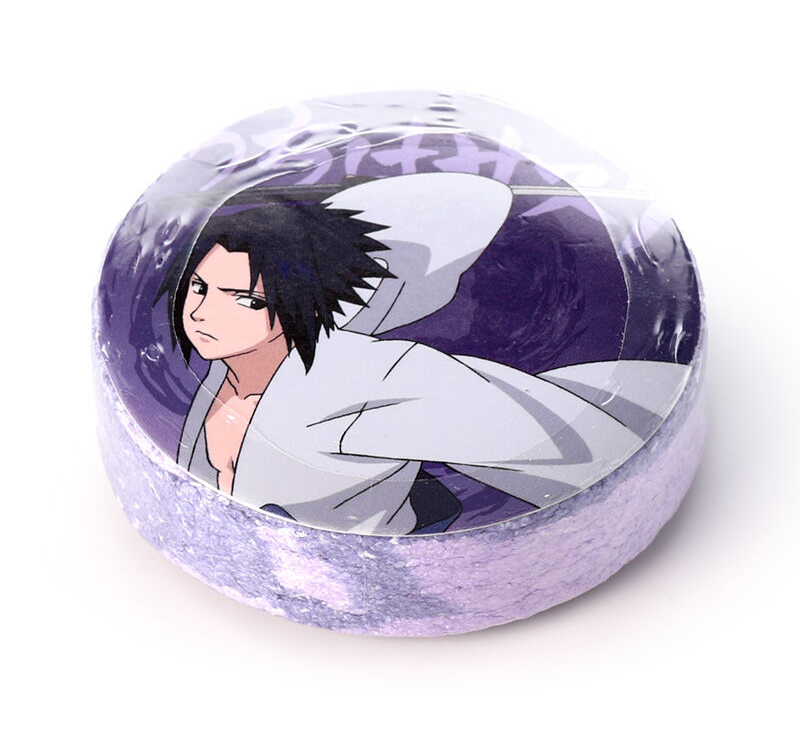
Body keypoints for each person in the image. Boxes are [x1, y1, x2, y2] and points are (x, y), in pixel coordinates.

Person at [156, 173, 689, 535]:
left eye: (246, 300)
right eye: (198, 287)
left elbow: (561, 439)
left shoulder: (365, 376)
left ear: (299, 300)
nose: (203, 314)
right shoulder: (221, 376)